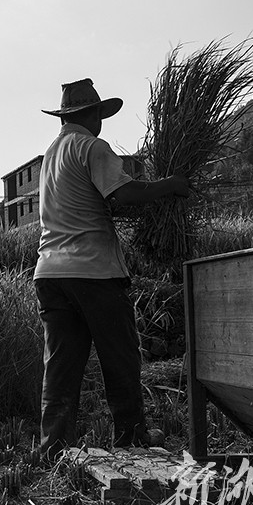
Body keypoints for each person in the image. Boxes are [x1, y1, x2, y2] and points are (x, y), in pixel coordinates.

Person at [34, 78, 190, 459]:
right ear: (90, 115)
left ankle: (53, 448)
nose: (100, 122)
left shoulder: (51, 155)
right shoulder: (91, 146)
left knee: (61, 366)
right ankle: (132, 437)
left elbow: (88, 201)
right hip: (93, 272)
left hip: (51, 274)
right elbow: (125, 192)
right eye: (98, 114)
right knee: (120, 355)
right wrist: (170, 185)